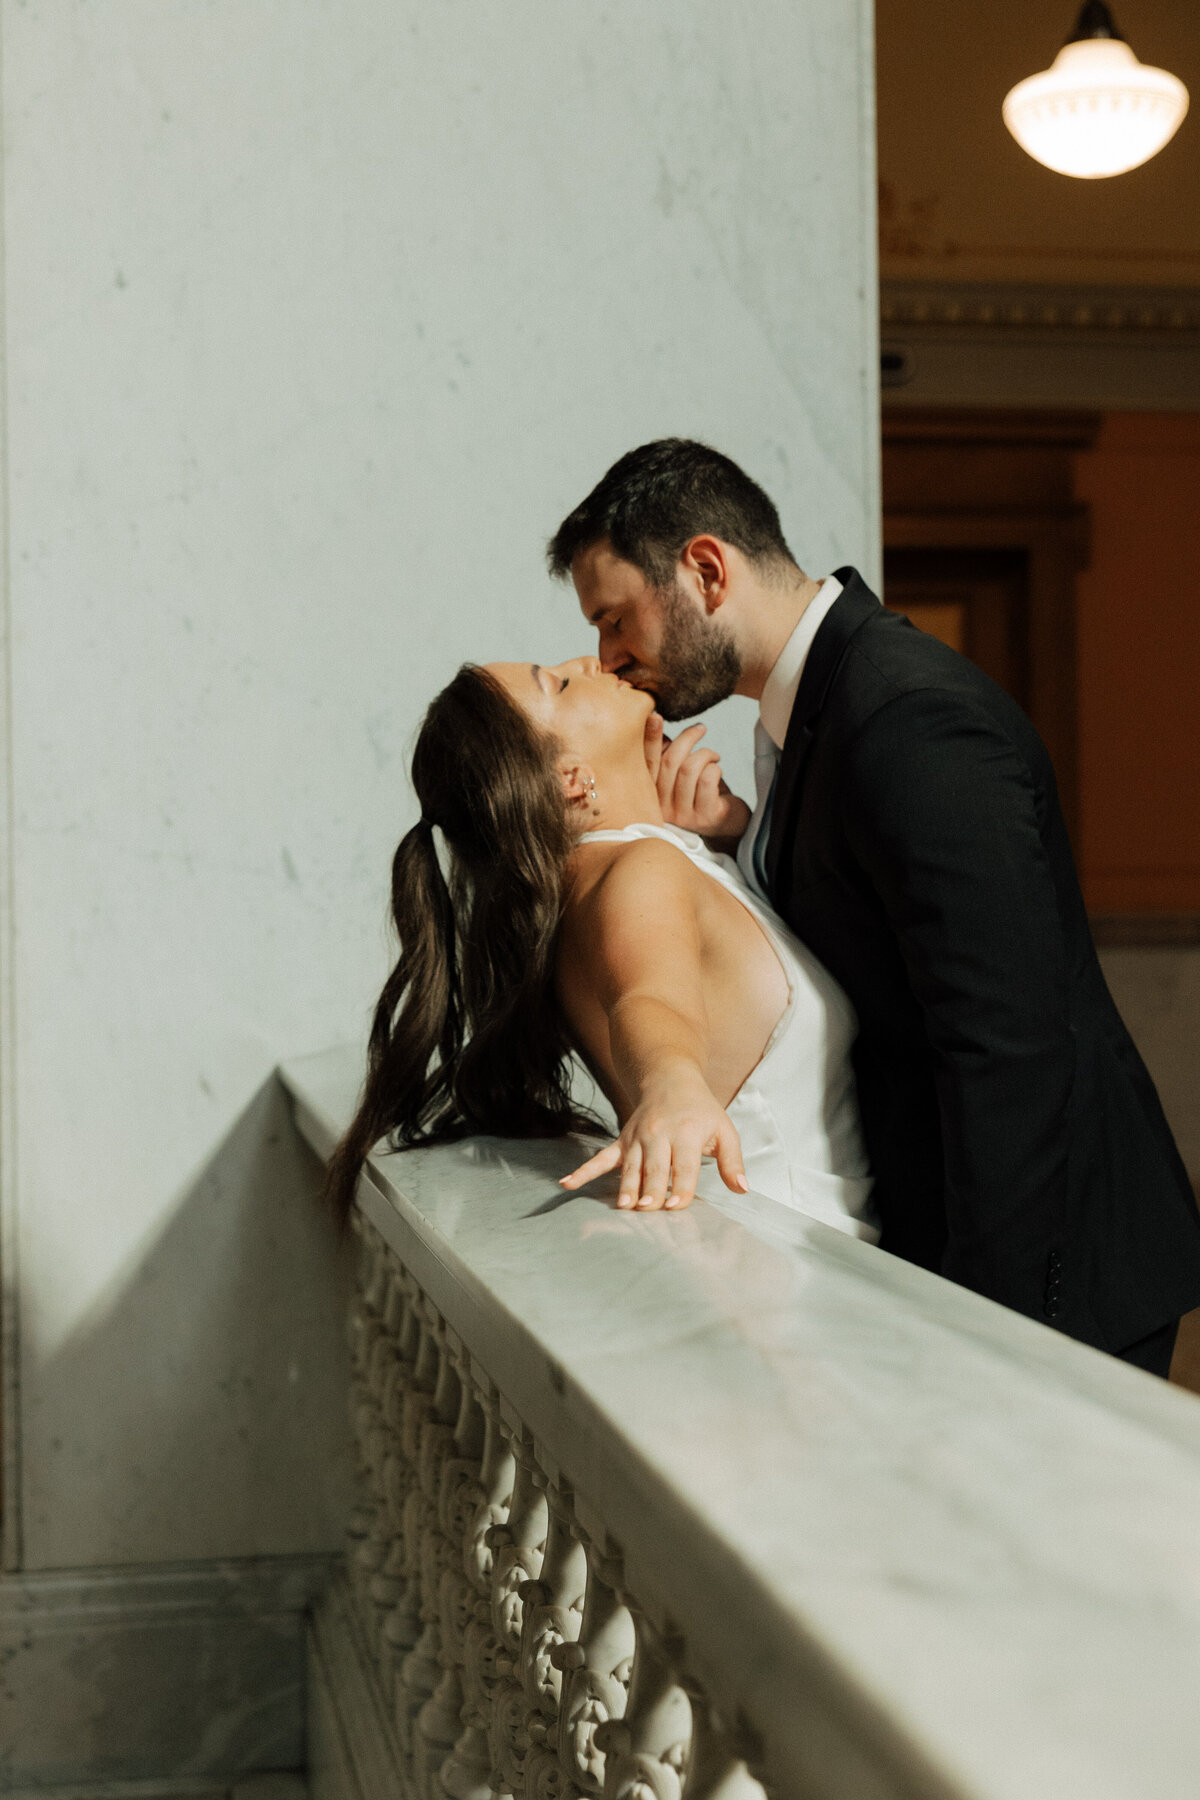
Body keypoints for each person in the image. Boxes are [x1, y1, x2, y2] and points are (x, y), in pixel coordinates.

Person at [547, 437, 1200, 1377]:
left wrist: (990, 1332)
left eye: (616, 620)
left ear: (704, 570)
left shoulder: (905, 718)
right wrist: (741, 850)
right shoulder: (813, 709)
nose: (610, 660)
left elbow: (1006, 1044)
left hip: (1052, 1280)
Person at [324, 656, 875, 1242]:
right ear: (569, 776)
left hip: (768, 1255)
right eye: (557, 683)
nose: (586, 661)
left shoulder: (622, 869)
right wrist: (670, 1081)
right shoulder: (640, 873)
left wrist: (727, 841)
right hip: (795, 1264)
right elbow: (648, 999)